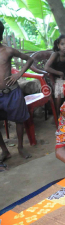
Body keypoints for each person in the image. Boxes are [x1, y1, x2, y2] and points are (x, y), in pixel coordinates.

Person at [0, 20, 33, 170]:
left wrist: (19, 74)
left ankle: (20, 147)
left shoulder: (8, 51)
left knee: (19, 120)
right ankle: (5, 151)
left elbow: (30, 59)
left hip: (12, 92)